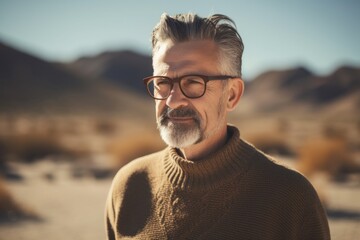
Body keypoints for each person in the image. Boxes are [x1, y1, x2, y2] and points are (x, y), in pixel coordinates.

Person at [105, 13, 330, 240]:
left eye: (193, 82)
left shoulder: (290, 197)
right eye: (162, 83)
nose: (172, 101)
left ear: (231, 95)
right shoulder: (128, 186)